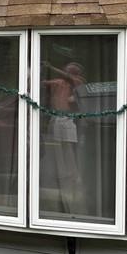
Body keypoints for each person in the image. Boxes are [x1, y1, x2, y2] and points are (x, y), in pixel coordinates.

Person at [42, 61, 85, 216]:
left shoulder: (79, 83)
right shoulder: (60, 83)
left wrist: (50, 66)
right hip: (57, 117)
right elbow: (45, 83)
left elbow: (68, 79)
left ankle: (74, 175)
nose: (65, 74)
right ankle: (64, 173)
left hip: (69, 119)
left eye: (69, 72)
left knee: (70, 148)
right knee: (58, 146)